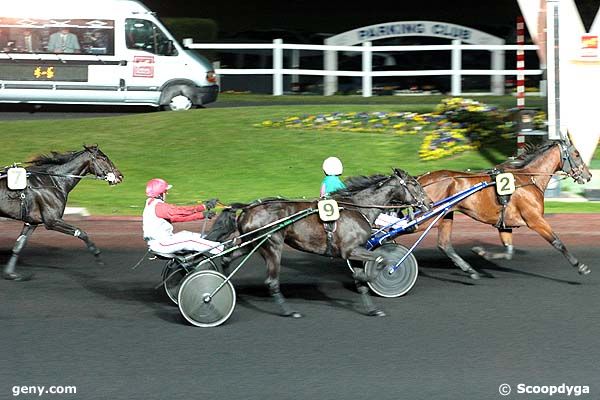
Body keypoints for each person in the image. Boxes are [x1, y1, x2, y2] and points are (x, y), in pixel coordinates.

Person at [142, 178, 224, 256]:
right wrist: (203, 207)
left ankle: (212, 242)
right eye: (165, 191)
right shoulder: (158, 206)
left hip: (163, 241)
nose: (166, 193)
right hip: (161, 243)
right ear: (160, 193)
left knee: (187, 234)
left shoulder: (151, 204)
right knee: (190, 241)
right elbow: (180, 211)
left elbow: (177, 218)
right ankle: (222, 249)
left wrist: (202, 215)